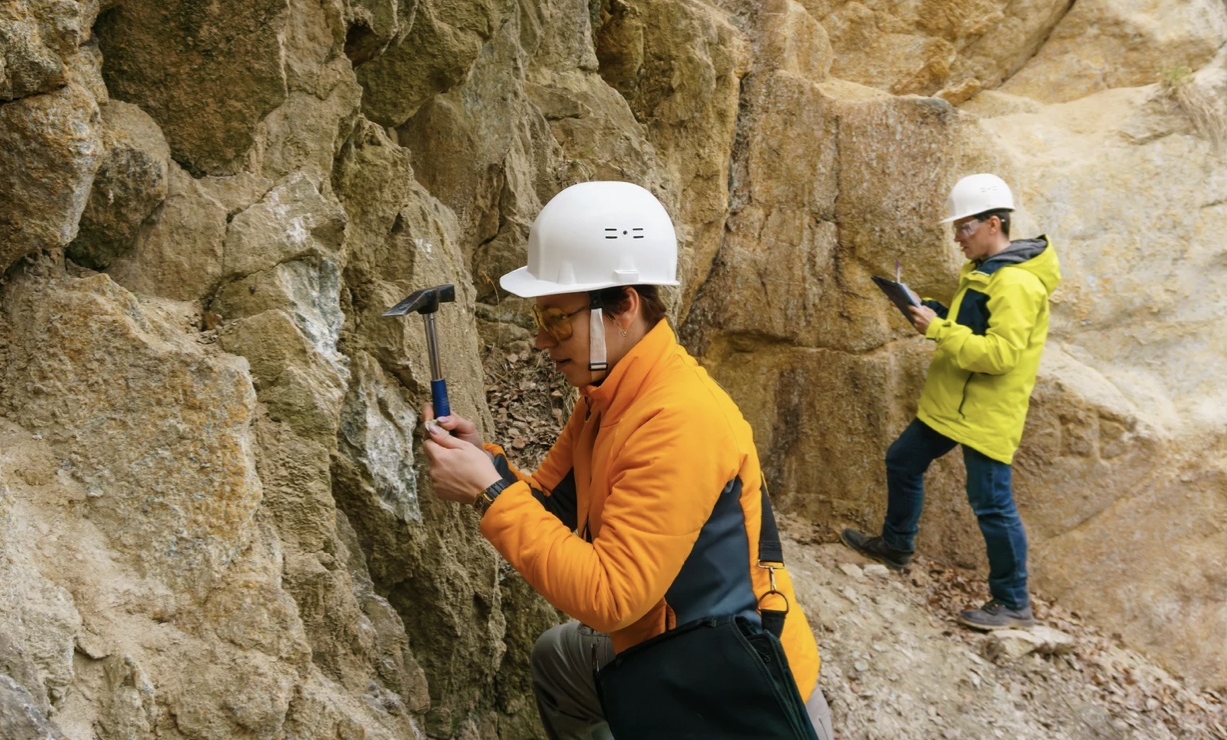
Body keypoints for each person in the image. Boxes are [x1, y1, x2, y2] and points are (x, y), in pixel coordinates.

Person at [421, 181, 833, 739]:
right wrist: (487, 464)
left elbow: (612, 598)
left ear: (624, 308)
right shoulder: (609, 396)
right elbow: (548, 505)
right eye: (542, 319)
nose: (544, 341)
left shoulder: (679, 419)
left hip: (737, 688)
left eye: (557, 318)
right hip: (667, 643)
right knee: (557, 660)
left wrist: (489, 494)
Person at [843, 173, 1061, 631]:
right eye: (956, 228)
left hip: (984, 413)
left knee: (991, 504)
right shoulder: (986, 270)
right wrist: (936, 312)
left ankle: (1013, 602)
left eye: (963, 228)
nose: (957, 238)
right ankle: (897, 546)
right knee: (903, 461)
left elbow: (1000, 355)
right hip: (952, 406)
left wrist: (937, 330)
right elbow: (977, 327)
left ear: (994, 224)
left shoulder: (1016, 283)